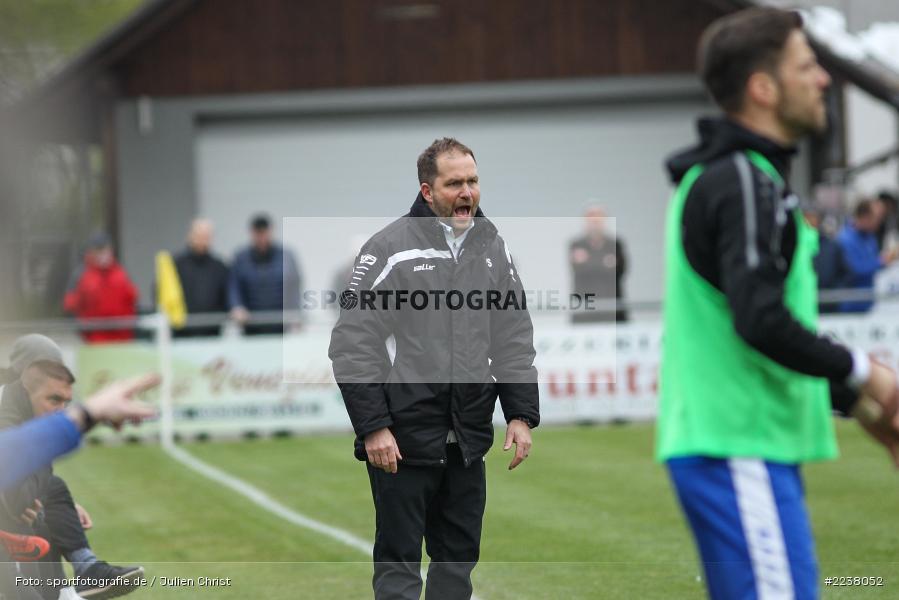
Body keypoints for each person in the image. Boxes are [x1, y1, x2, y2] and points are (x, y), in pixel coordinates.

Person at [658, 9, 899, 600]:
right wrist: (871, 378)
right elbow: (760, 319)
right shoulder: (744, 180)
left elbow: (758, 324)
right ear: (763, 89)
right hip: (738, 448)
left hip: (740, 448)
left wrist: (862, 407)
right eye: (807, 66)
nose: (823, 79)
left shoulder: (745, 177)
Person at [329, 137, 539, 600]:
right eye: (454, 184)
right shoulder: (390, 247)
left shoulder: (492, 247)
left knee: (455, 570)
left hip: (467, 441)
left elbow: (513, 335)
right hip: (401, 442)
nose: (467, 192)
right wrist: (375, 426)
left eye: (473, 181)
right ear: (428, 191)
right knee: (400, 572)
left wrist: (520, 414)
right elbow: (352, 341)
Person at [0, 335, 145, 600]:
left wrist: (57, 502)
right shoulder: (7, 404)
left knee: (50, 494)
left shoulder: (21, 404)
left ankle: (78, 577)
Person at [228, 214, 302, 335]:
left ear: (270, 231)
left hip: (281, 325)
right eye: (258, 233)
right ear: (252, 233)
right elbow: (234, 286)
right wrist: (237, 306)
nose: (261, 237)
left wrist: (295, 312)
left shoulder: (287, 257)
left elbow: (295, 287)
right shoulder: (241, 258)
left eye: (264, 233)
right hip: (250, 325)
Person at [63, 233, 138, 343]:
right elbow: (70, 306)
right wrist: (84, 333)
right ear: (91, 252)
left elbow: (133, 299)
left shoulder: (120, 273)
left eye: (105, 250)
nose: (103, 255)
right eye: (98, 250)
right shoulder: (81, 275)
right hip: (94, 341)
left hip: (123, 341)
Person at [568, 204, 628, 322]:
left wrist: (589, 260)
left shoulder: (615, 244)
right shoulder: (576, 244)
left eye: (598, 216)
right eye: (591, 216)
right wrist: (604, 262)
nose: (594, 220)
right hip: (584, 314)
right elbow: (579, 269)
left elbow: (620, 270)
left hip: (613, 313)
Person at [171, 218, 230, 337]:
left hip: (212, 333)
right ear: (190, 236)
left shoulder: (220, 266)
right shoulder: (176, 264)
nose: (202, 240)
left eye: (206, 236)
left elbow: (228, 295)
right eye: (199, 235)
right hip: (182, 333)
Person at [837, 199, 898, 312]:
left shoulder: (870, 237)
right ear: (865, 217)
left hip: (867, 303)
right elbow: (854, 270)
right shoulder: (844, 239)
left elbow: (872, 261)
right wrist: (881, 261)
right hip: (850, 306)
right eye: (877, 218)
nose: (879, 222)